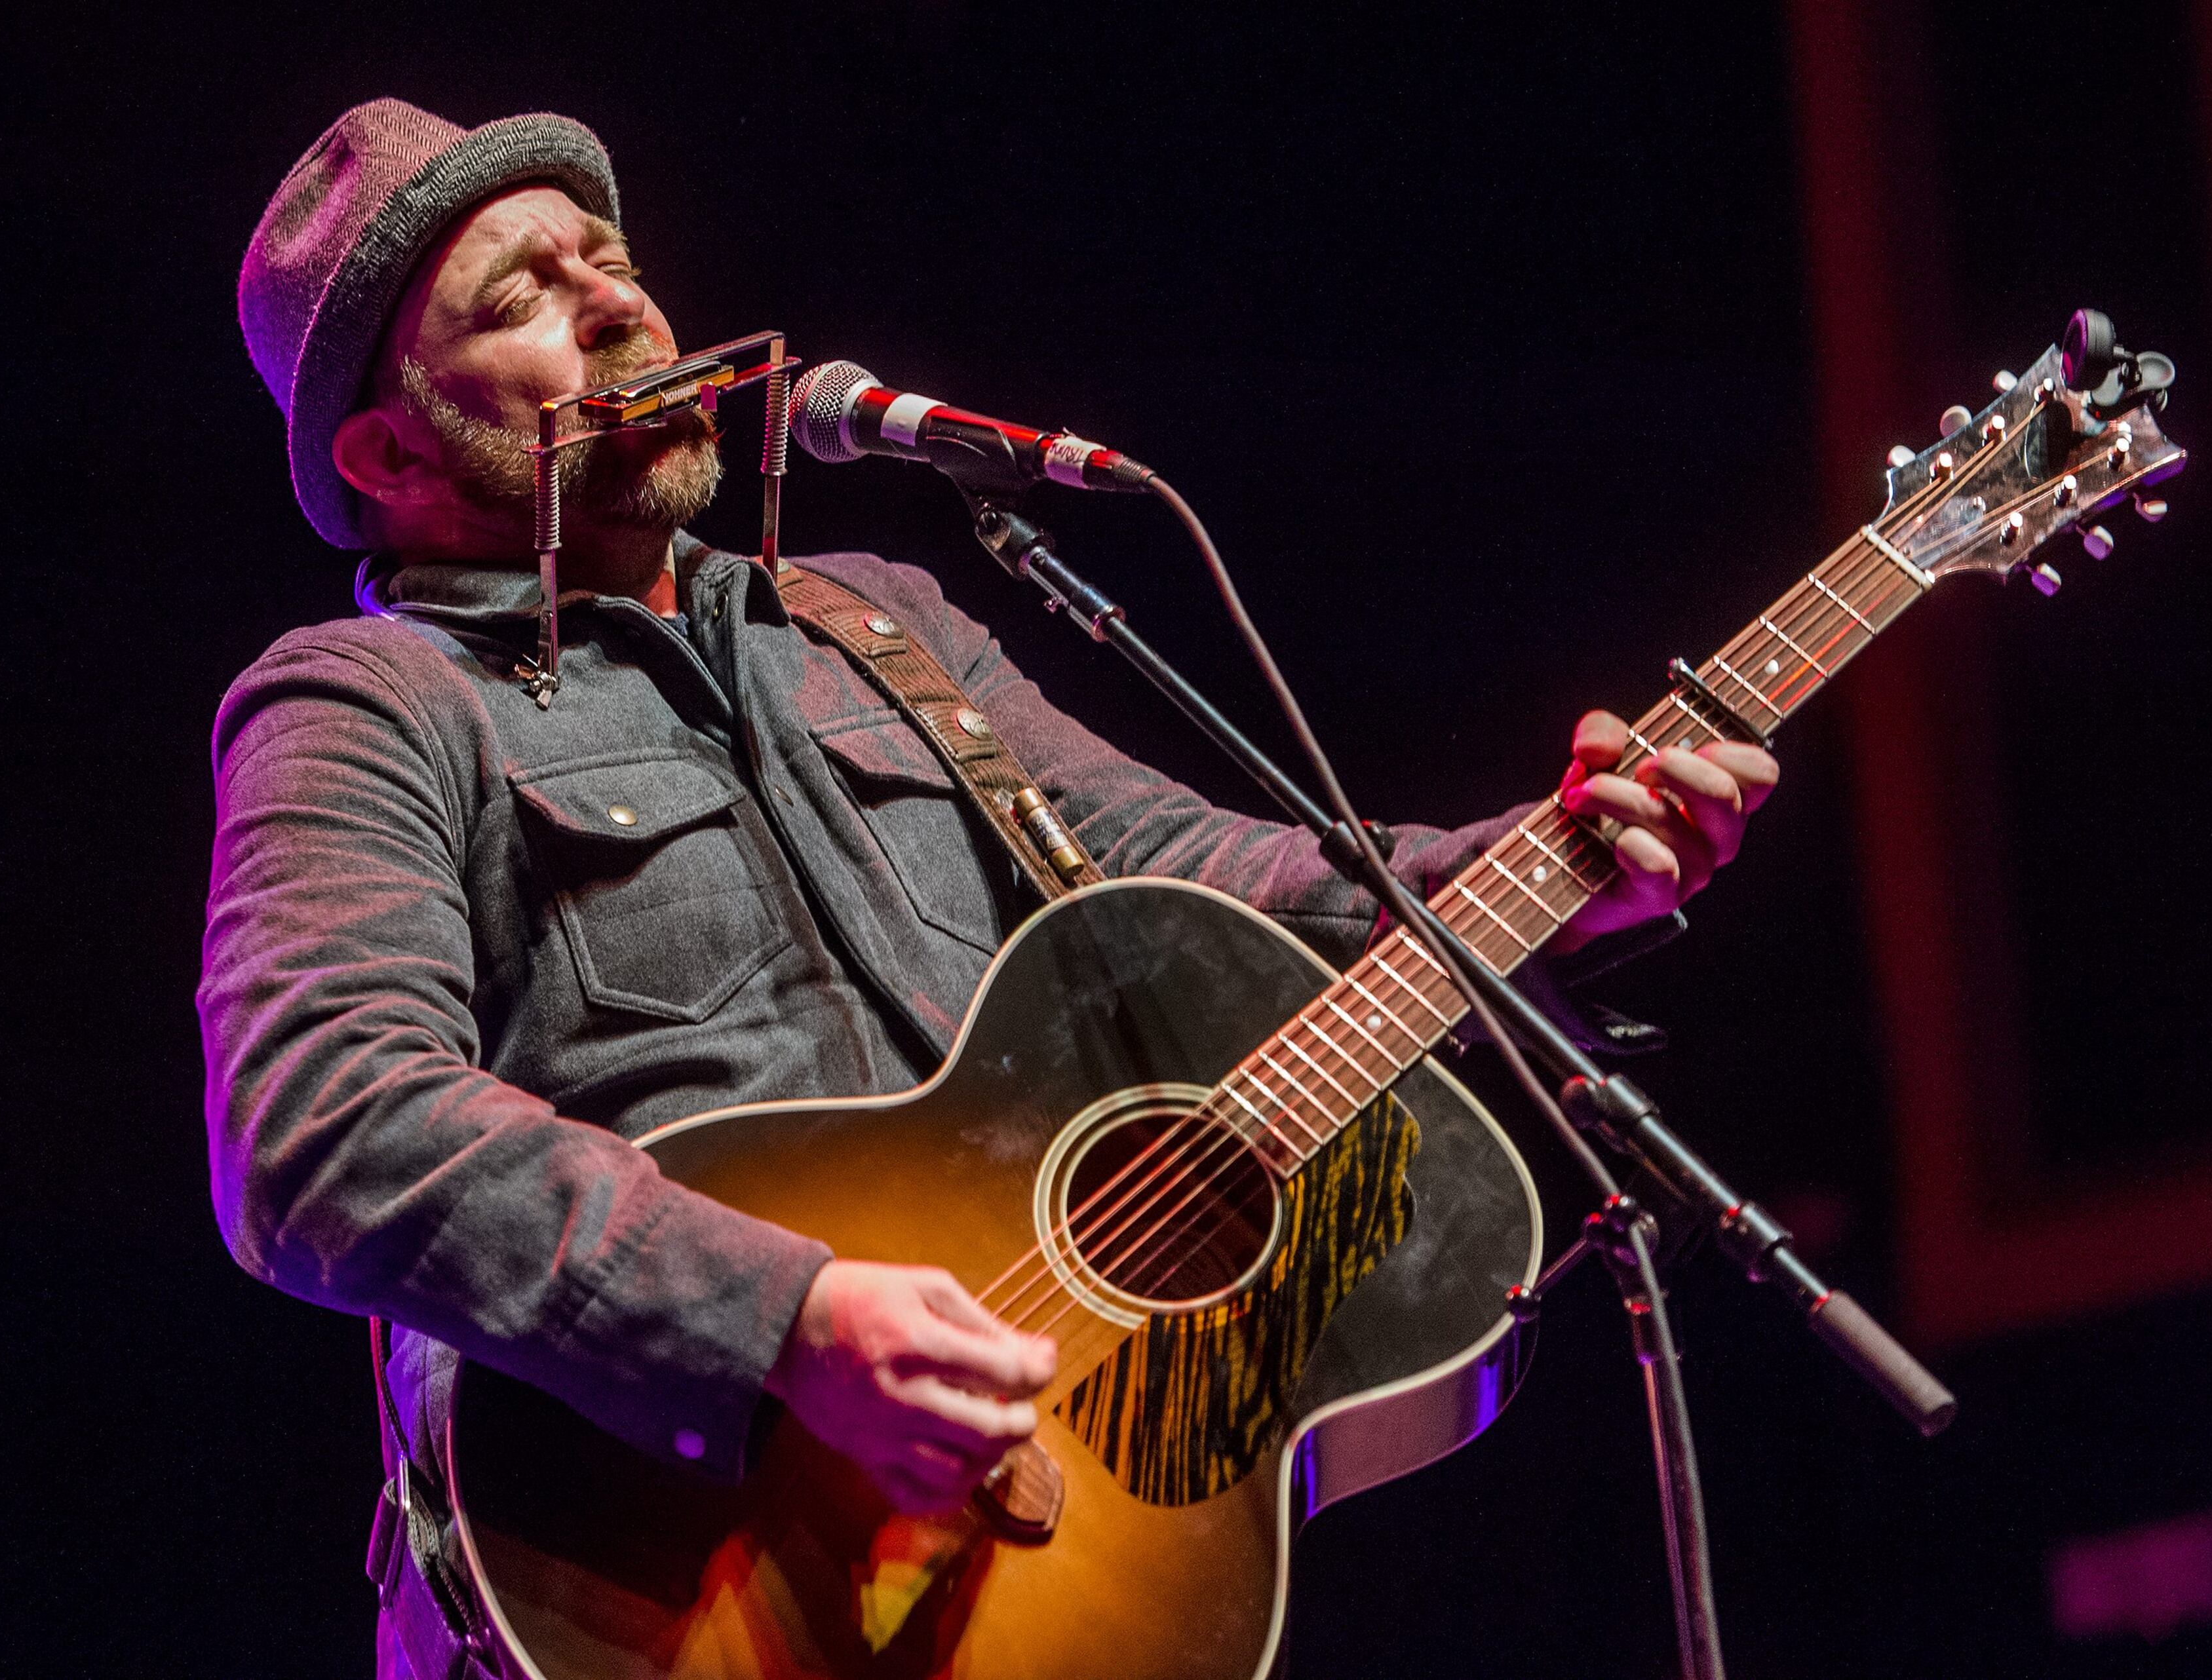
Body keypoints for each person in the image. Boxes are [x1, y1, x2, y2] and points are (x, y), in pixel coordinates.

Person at [203, 97, 1777, 1676]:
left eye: (609, 258)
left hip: (1033, 1557)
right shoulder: (369, 700)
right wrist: (784, 1322)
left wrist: (1554, 865)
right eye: (525, 296)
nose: (616, 303)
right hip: (665, 1594)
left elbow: (1211, 887)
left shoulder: (875, 623)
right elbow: (318, 1116)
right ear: (388, 451)